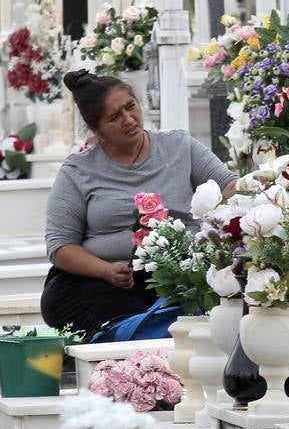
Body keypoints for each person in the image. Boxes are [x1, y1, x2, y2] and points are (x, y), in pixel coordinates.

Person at [41, 70, 237, 334]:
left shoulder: (179, 146)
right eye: (114, 117)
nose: (128, 119)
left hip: (183, 270)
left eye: (130, 107)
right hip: (107, 282)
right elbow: (60, 246)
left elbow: (229, 186)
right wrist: (107, 271)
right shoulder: (78, 171)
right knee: (102, 308)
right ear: (95, 129)